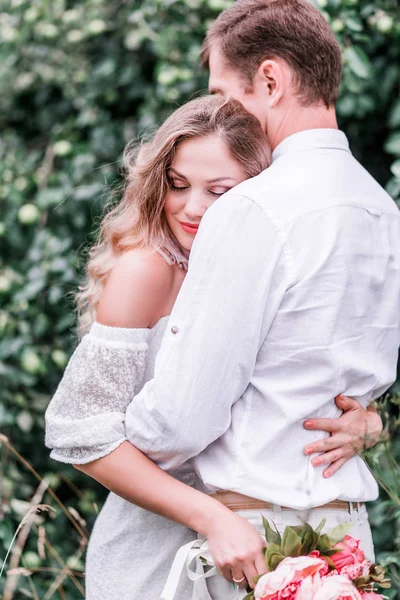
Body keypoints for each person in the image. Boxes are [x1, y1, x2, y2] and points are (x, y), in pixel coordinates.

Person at [49, 0, 399, 598]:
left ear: (270, 79)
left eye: (224, 92)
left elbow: (181, 421)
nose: (222, 111)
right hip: (343, 538)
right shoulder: (381, 210)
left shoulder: (256, 208)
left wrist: (129, 426)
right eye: (182, 186)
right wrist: (367, 421)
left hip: (253, 542)